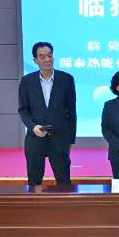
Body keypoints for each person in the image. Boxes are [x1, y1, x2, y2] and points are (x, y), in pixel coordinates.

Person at [18, 42, 76, 186]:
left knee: (64, 182)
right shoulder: (27, 81)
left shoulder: (66, 79)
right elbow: (23, 110)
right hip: (35, 139)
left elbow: (72, 111)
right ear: (35, 60)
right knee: (34, 182)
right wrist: (33, 127)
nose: (47, 59)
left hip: (60, 139)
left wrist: (70, 140)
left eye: (49, 55)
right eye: (42, 57)